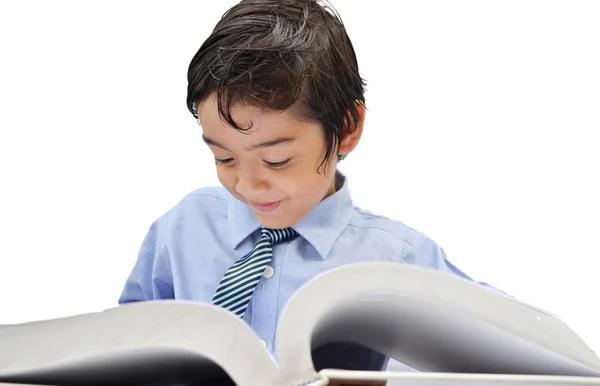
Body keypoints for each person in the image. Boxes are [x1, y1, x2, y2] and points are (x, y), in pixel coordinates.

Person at [118, 0, 497, 374]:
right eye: (225, 158)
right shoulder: (182, 231)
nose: (249, 186)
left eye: (276, 160)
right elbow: (120, 350)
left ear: (346, 129)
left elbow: (514, 344)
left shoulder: (399, 258)